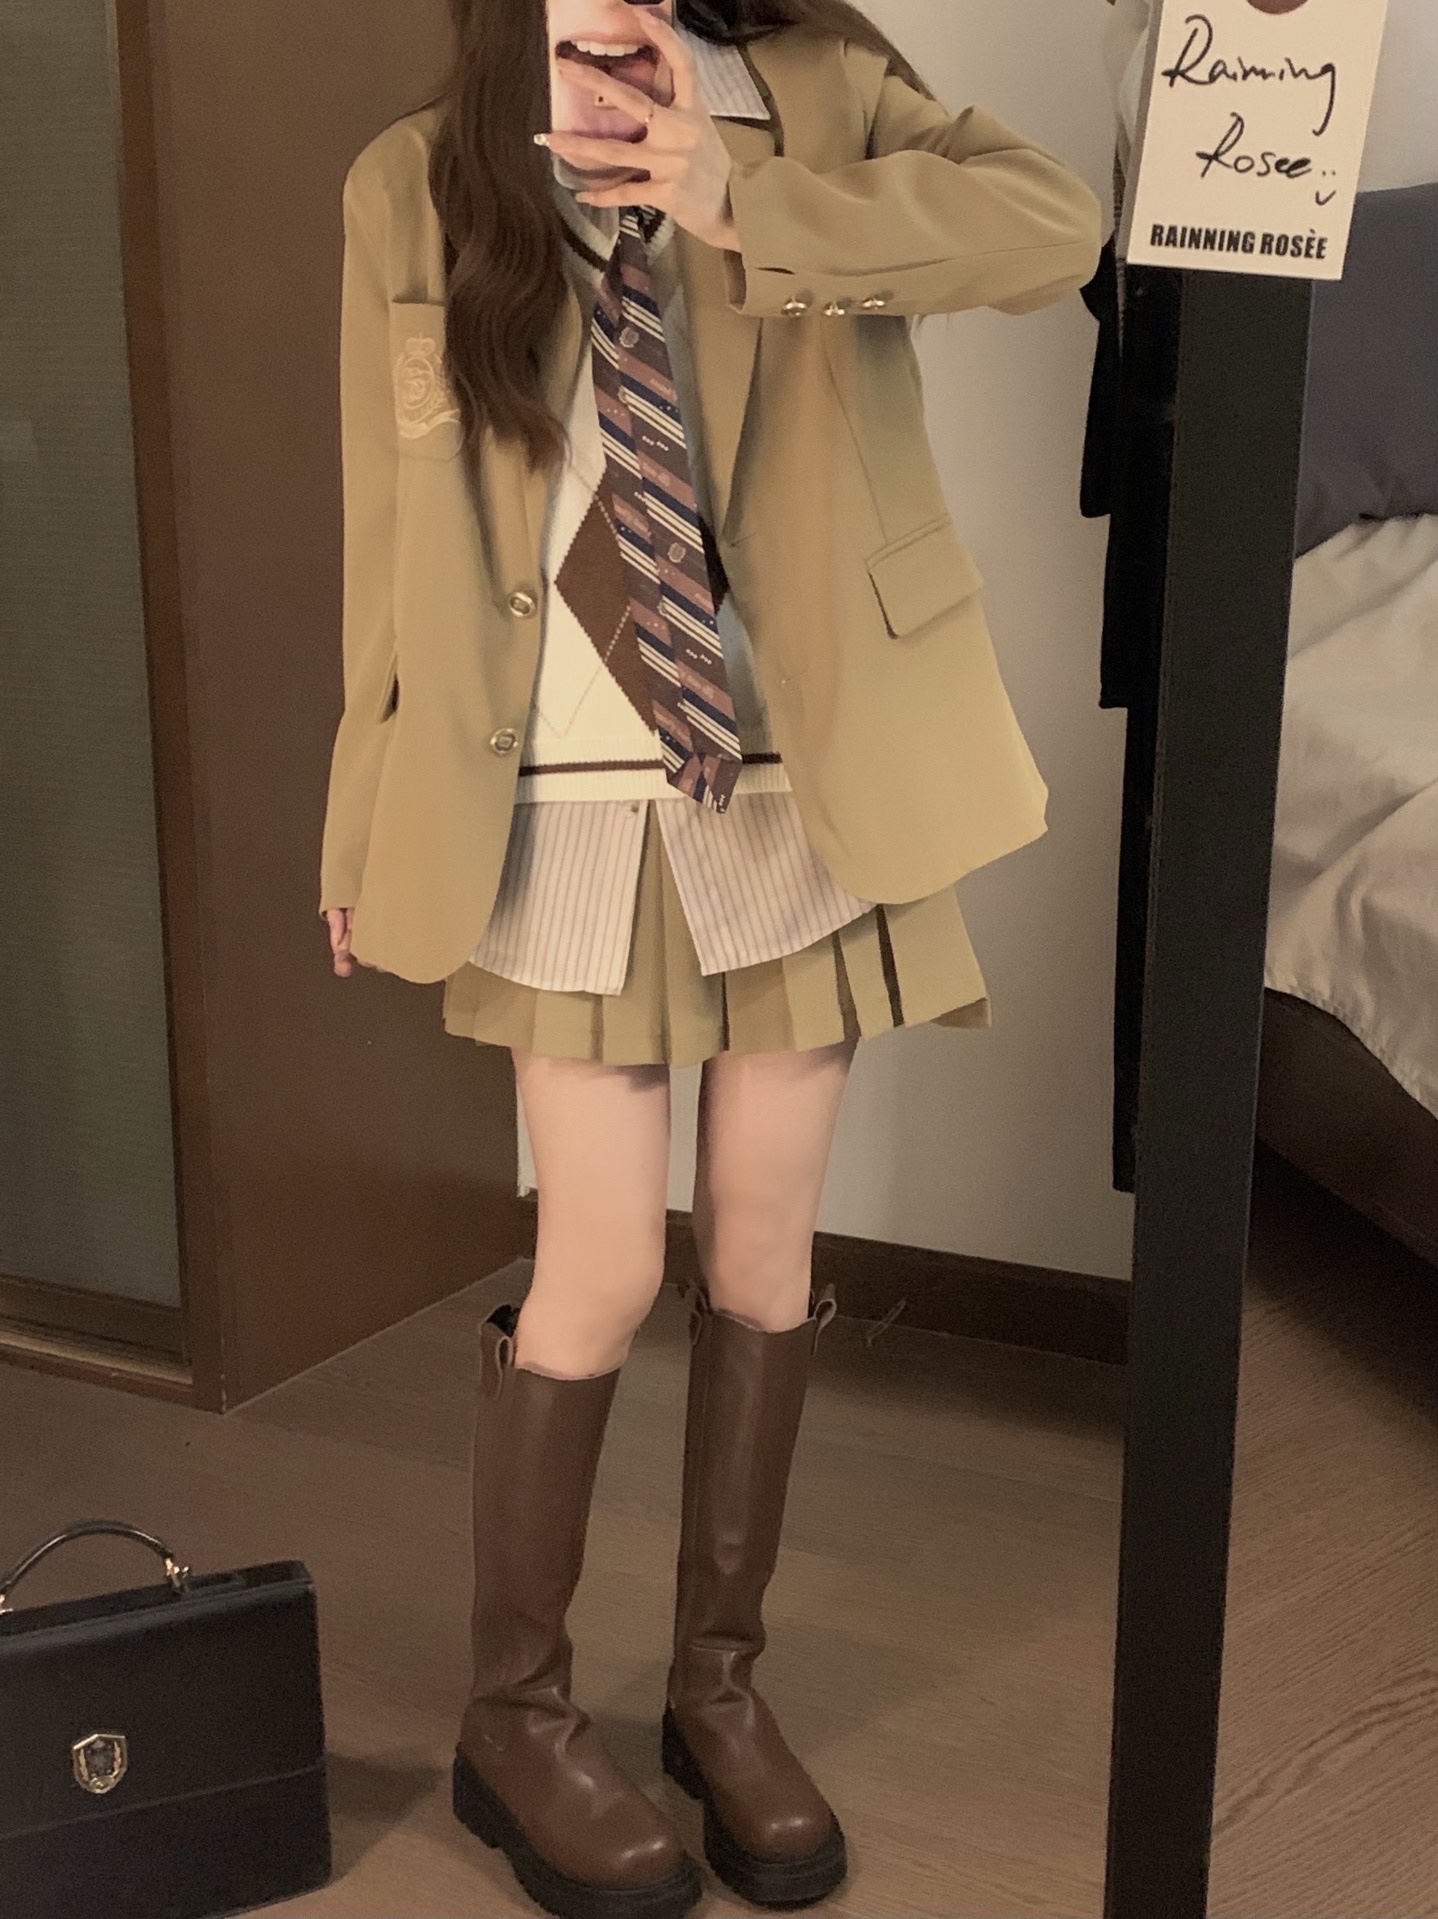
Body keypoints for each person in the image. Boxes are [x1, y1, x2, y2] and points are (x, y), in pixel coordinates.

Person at [319, 2, 1100, 1913]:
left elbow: (1052, 230)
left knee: (759, 1255)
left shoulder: (812, 92)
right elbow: (389, 521)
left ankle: (714, 1692)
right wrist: (358, 815)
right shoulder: (419, 175)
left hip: (789, 777)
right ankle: (516, 1718)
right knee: (594, 1268)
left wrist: (745, 197)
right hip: (556, 793)